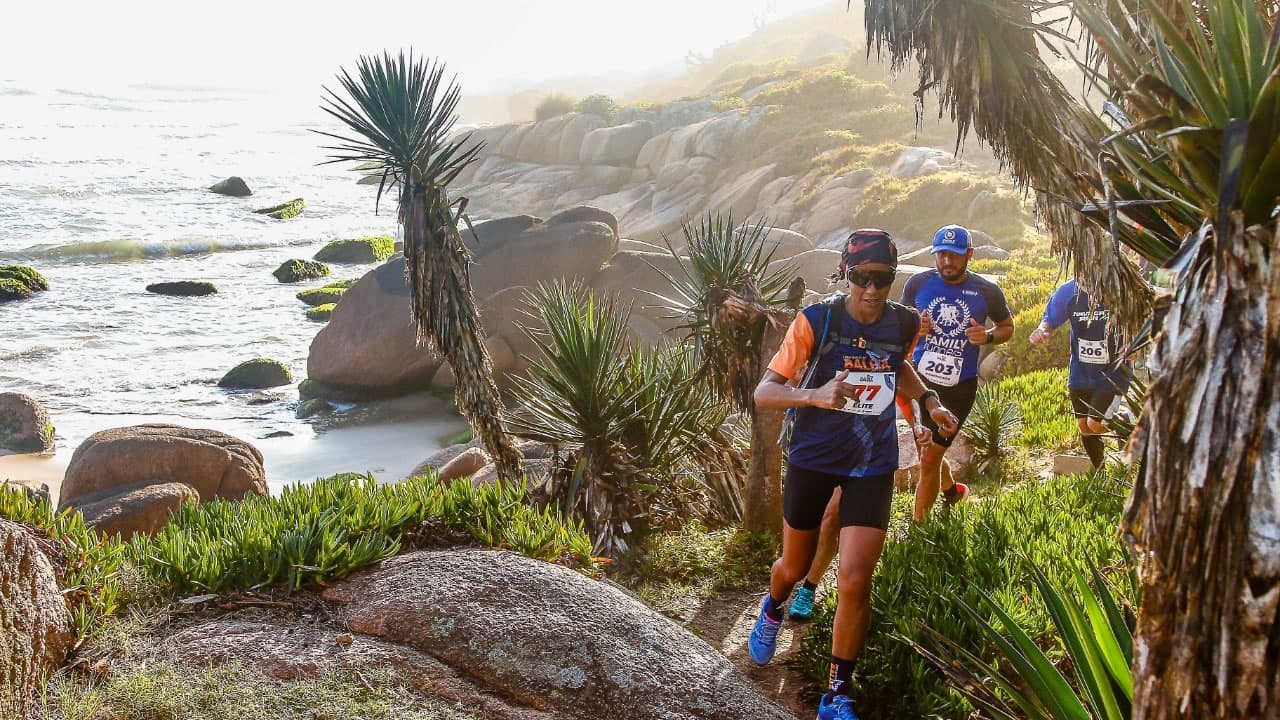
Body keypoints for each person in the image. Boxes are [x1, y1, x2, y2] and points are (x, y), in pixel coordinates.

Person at [748, 229, 959, 720]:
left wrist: (928, 401)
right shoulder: (816, 321)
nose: (871, 289)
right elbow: (765, 392)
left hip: (872, 463)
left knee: (855, 580)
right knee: (794, 568)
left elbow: (898, 367)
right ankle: (774, 606)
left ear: (891, 279)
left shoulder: (904, 322)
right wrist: (816, 395)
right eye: (862, 277)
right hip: (813, 457)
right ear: (846, 273)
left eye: (882, 279)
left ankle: (838, 693)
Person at [900, 224, 1013, 522]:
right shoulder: (917, 284)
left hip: (959, 386)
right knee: (929, 455)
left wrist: (986, 336)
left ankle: (919, 531)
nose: (947, 261)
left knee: (929, 458)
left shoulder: (987, 290)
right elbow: (898, 324)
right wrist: (915, 327)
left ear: (970, 255)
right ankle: (952, 492)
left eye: (955, 255)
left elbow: (1007, 328)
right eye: (942, 254)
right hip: (919, 383)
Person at [1030, 279, 1129, 468]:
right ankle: (1100, 472)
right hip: (1081, 371)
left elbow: (1142, 315)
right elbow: (1049, 320)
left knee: (1095, 424)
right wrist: (1042, 331)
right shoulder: (1068, 291)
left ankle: (1124, 420)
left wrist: (1134, 345)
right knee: (1084, 426)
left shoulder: (1120, 285)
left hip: (1113, 370)